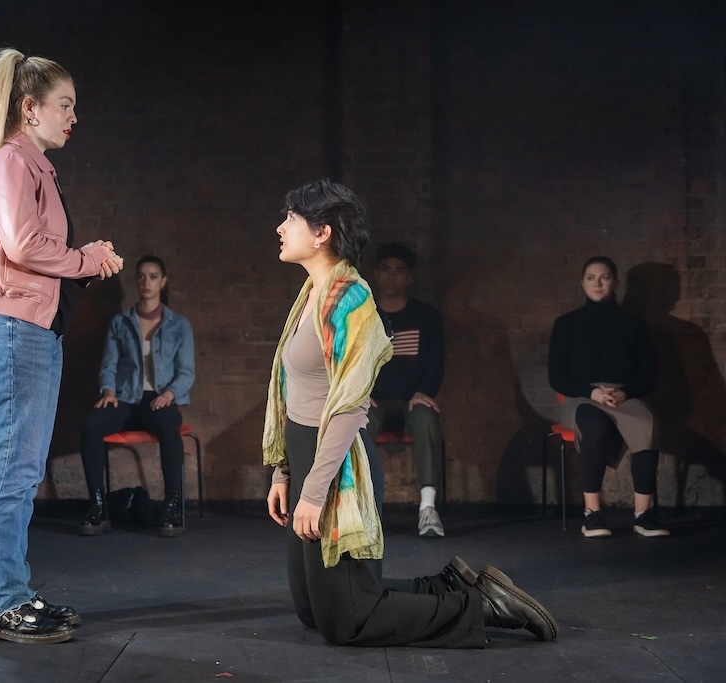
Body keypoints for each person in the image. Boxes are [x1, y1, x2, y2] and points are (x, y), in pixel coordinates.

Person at [263, 178, 557, 647]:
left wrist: (314, 492)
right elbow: (291, 390)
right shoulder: (310, 296)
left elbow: (349, 407)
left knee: (346, 621)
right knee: (314, 613)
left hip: (336, 465)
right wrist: (283, 473)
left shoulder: (352, 299)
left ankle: (480, 607)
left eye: (291, 218)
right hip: (304, 457)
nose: (280, 227)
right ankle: (453, 587)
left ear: (322, 232)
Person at [0, 48, 124, 645]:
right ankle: (0, 602)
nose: (73, 117)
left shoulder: (35, 166)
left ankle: (9, 593)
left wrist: (86, 260)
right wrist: (86, 260)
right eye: (65, 105)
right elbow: (25, 246)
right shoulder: (11, 162)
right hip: (10, 330)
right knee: (11, 467)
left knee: (20, 469)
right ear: (29, 108)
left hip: (29, 332)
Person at [548, 256, 668, 538]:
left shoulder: (632, 324)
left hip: (622, 396)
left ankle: (643, 514)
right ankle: (593, 513)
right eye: (591, 277)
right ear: (582, 282)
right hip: (581, 398)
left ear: (615, 282)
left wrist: (623, 392)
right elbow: (557, 377)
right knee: (595, 424)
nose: (597, 283)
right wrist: (592, 392)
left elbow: (649, 374)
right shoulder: (567, 324)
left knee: (647, 423)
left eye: (604, 277)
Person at [79, 255, 196, 537]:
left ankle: (172, 506)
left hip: (157, 400)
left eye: (153, 276)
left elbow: (187, 371)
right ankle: (98, 505)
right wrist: (108, 390)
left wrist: (169, 394)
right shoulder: (121, 323)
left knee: (170, 428)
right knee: (92, 425)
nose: (147, 282)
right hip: (125, 399)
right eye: (142, 276)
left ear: (163, 281)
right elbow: (109, 364)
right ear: (136, 281)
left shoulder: (179, 325)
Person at [367, 242, 447, 537]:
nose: (391, 277)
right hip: (374, 400)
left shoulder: (427, 317)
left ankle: (427, 509)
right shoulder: (362, 316)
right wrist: (360, 394)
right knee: (354, 424)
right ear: (376, 274)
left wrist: (423, 391)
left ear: (409, 278)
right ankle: (363, 511)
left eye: (399, 271)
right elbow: (349, 361)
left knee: (427, 417)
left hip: (412, 400)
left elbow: (436, 365)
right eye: (386, 270)